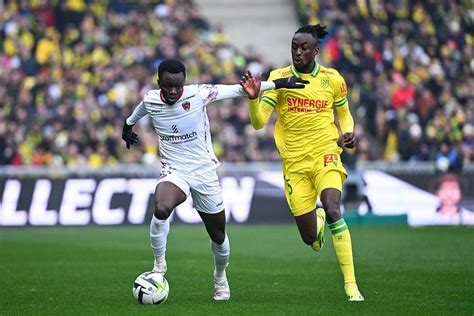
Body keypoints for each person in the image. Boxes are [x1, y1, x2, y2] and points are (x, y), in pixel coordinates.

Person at [121, 59, 306, 301]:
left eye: (178, 85)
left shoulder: (199, 94)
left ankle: (220, 276)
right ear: (159, 83)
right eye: (168, 85)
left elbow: (238, 89)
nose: (174, 91)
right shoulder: (151, 99)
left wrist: (280, 83)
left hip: (204, 173)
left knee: (218, 236)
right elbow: (137, 112)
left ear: (184, 82)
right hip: (174, 170)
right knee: (162, 206)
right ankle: (159, 267)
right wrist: (127, 127)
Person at [245, 24, 364, 301]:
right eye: (294, 47)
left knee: (334, 208)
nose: (297, 52)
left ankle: (351, 285)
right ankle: (317, 222)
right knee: (310, 238)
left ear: (316, 50)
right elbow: (258, 122)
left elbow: (344, 114)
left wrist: (348, 131)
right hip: (294, 164)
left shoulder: (332, 79)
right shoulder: (279, 78)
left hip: (326, 153)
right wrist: (254, 100)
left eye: (303, 48)